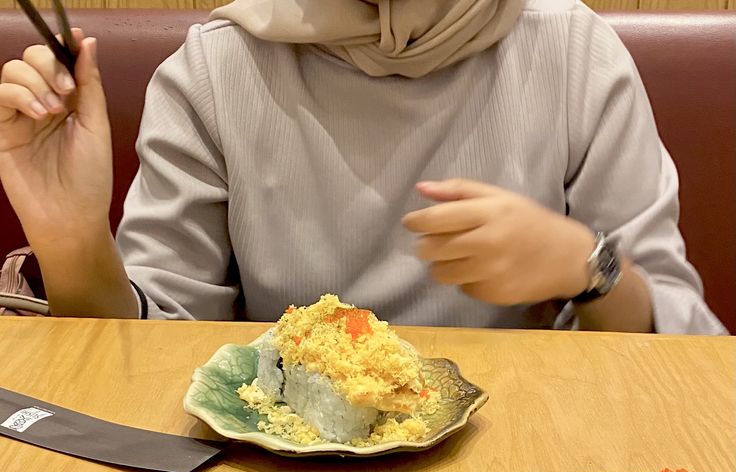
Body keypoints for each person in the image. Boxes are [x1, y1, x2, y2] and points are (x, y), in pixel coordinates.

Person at [0, 0, 726, 334]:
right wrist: (70, 238)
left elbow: (687, 350)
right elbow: (152, 359)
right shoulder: (217, 70)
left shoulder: (573, 55)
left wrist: (585, 264)